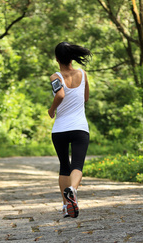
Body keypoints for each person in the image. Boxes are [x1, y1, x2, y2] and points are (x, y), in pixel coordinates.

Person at [48, 42, 92, 218]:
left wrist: (52, 110)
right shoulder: (83, 74)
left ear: (57, 58)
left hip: (60, 129)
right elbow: (86, 98)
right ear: (72, 57)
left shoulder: (55, 77)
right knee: (77, 165)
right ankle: (72, 190)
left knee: (64, 166)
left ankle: (67, 207)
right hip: (80, 127)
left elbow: (60, 94)